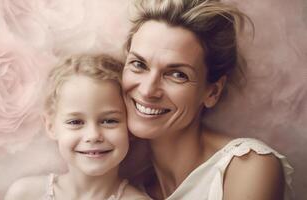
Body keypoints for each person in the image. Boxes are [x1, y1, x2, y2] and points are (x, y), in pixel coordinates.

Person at [121, 0, 293, 199]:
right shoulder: (128, 186)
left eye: (177, 74)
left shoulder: (246, 167)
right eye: (138, 64)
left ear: (212, 92)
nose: (148, 90)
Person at [4, 54, 149, 200]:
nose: (93, 135)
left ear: (130, 125)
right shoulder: (25, 194)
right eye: (75, 122)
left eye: (109, 121)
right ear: (51, 126)